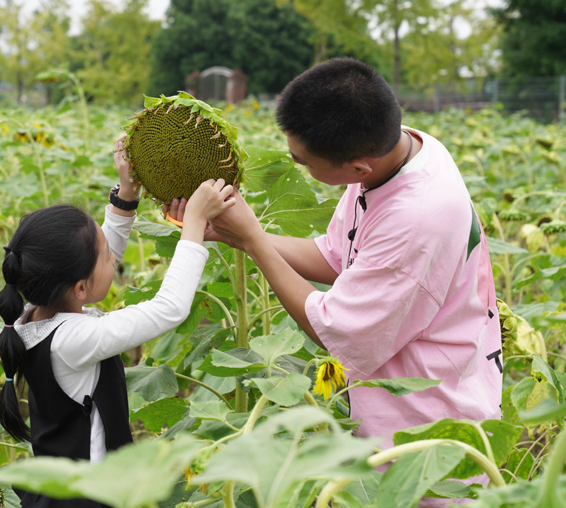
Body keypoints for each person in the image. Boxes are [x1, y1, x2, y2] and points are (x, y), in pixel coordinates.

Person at [206, 58, 503, 458]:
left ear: (358, 166)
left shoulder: (418, 216)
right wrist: (235, 235)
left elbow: (335, 328)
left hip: (424, 433)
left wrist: (255, 241)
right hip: (399, 409)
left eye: (306, 163)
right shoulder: (399, 156)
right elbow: (334, 259)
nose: (299, 166)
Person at [0, 142, 235, 508]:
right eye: (108, 258)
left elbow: (92, 266)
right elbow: (169, 308)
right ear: (80, 289)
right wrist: (195, 224)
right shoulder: (74, 340)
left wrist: (126, 196)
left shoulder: (32, 311)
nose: (114, 259)